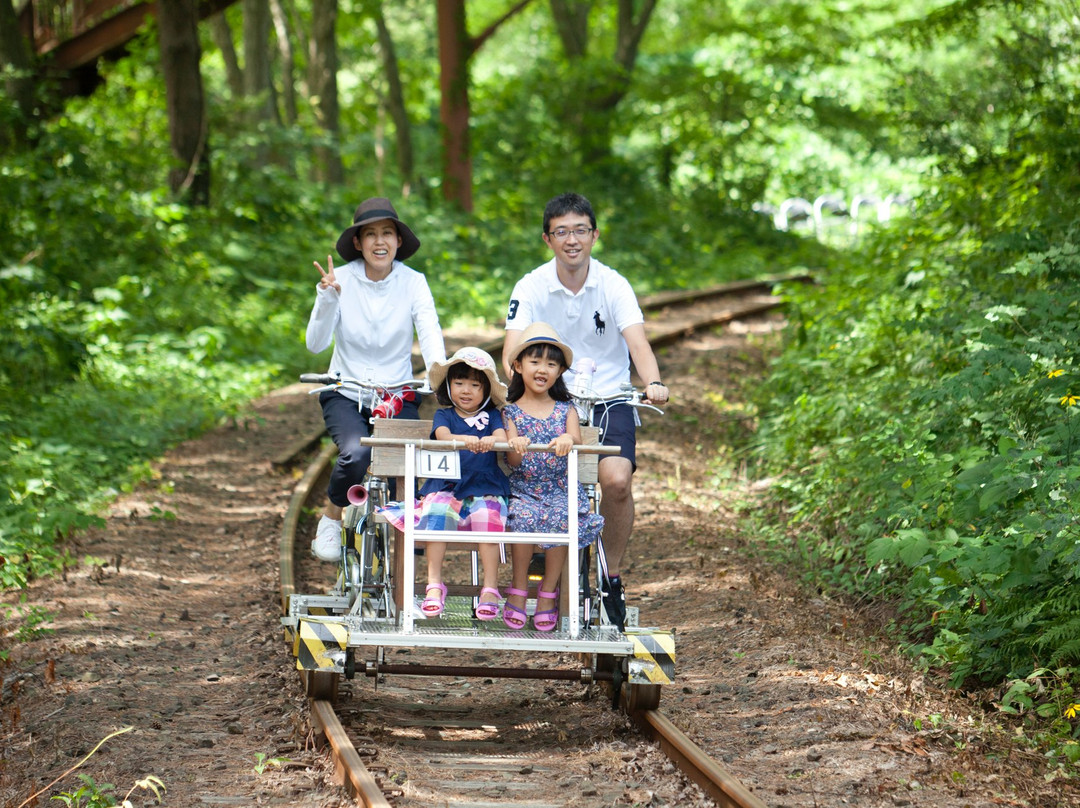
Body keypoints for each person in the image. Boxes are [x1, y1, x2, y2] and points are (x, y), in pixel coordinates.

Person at [502, 192, 669, 630]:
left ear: (594, 235)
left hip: (609, 395)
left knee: (615, 480)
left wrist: (651, 382)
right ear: (547, 238)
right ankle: (542, 561)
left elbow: (638, 343)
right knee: (534, 477)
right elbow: (510, 353)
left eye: (580, 230)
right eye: (561, 232)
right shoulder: (531, 285)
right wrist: (533, 385)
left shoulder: (613, 284)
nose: (571, 240)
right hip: (553, 397)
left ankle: (610, 573)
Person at [306, 197, 446, 562]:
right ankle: (332, 517)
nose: (379, 241)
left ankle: (404, 545)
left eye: (388, 233)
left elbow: (429, 331)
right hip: (345, 390)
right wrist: (327, 298)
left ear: (399, 241)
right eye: (370, 234)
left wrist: (438, 373)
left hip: (397, 393)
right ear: (358, 242)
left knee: (410, 462)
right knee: (355, 453)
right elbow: (315, 344)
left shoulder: (414, 282)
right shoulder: (341, 280)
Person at [377, 347, 510, 619]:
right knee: (436, 513)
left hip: (484, 485)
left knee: (488, 516)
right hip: (446, 484)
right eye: (459, 383)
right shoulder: (445, 415)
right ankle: (434, 584)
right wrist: (466, 440)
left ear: (485, 391)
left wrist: (491, 441)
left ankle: (489, 588)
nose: (466, 390)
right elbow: (443, 435)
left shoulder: (493, 417)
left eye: (475, 385)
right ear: (448, 387)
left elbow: (502, 438)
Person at [501, 323, 604, 631]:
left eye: (551, 363)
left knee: (564, 514)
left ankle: (549, 590)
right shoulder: (510, 412)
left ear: (560, 371)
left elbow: (575, 439)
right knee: (522, 516)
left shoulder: (565, 409)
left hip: (560, 487)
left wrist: (568, 441)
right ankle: (519, 589)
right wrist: (516, 444)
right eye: (535, 361)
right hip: (525, 487)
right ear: (519, 366)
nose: (542, 369)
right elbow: (513, 460)